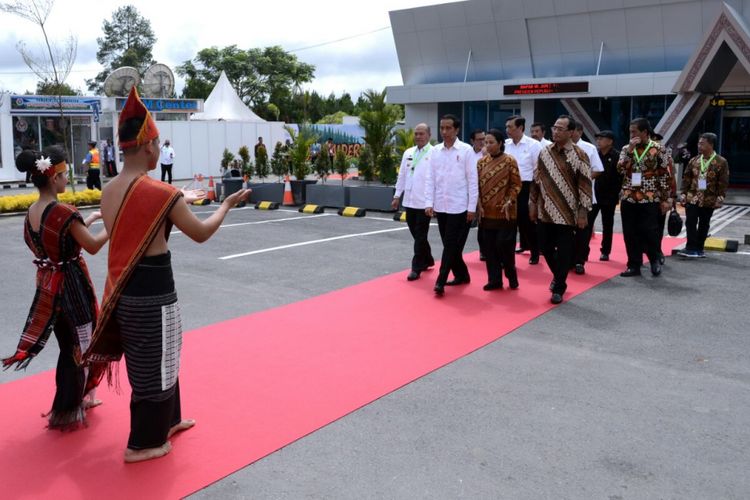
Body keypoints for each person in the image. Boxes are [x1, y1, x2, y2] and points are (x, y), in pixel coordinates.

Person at [83, 87, 250, 463]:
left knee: (161, 359)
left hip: (123, 291)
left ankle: (168, 421)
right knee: (155, 365)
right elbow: (202, 233)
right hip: (154, 293)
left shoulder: (108, 191)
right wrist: (224, 205)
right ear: (147, 146)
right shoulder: (163, 192)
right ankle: (142, 443)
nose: (158, 151)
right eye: (156, 144)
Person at [3, 145, 109, 430]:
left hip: (49, 290)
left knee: (67, 347)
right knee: (83, 346)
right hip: (73, 289)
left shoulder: (31, 212)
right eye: (64, 174)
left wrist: (88, 220)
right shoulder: (64, 211)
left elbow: (56, 242)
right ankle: (77, 403)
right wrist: (112, 222)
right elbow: (93, 246)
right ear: (52, 177)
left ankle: (69, 403)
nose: (67, 179)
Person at [530, 115, 592, 304]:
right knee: (545, 248)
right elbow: (536, 179)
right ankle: (558, 275)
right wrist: (532, 203)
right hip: (545, 210)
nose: (555, 131)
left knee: (565, 251)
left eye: (560, 129)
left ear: (571, 132)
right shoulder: (544, 152)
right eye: (554, 128)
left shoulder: (580, 154)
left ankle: (559, 287)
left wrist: (583, 212)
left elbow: (585, 185)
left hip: (567, 213)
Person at [425, 114, 478, 296]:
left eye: (448, 128)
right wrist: (428, 202)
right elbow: (430, 178)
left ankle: (440, 281)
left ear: (456, 130)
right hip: (441, 205)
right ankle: (462, 274)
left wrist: (472, 207)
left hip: (459, 206)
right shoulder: (435, 151)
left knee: (449, 245)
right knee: (452, 246)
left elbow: (473, 181)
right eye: (442, 128)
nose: (444, 132)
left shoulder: (466, 150)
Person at [617, 118, 673, 277]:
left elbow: (664, 175)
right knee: (630, 232)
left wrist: (665, 198)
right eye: (630, 132)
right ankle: (634, 265)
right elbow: (620, 170)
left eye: (634, 131)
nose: (631, 134)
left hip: (650, 197)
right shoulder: (626, 149)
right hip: (629, 196)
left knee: (650, 230)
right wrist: (629, 151)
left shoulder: (659, 149)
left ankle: (654, 259)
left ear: (645, 132)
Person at [477, 129, 521, 290]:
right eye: (485, 142)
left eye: (491, 142)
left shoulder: (510, 161)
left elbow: (516, 184)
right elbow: (477, 187)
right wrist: (478, 205)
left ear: (500, 143)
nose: (487, 145)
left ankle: (511, 274)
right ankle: (494, 280)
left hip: (506, 213)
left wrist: (509, 200)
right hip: (486, 214)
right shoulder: (481, 162)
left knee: (504, 247)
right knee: (489, 248)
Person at [392, 123, 435, 281]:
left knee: (420, 235)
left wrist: (433, 202)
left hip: (425, 202)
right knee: (416, 234)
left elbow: (436, 179)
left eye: (421, 133)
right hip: (409, 201)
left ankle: (416, 267)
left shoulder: (434, 152)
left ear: (429, 135)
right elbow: (402, 175)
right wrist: (397, 196)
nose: (418, 136)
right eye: (416, 133)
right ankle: (428, 258)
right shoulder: (408, 152)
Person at [678, 132, 730, 258]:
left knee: (704, 223)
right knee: (690, 222)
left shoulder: (721, 162)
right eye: (698, 143)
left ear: (711, 145)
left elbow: (723, 182)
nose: (699, 146)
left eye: (702, 144)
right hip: (693, 197)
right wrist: (683, 193)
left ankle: (699, 248)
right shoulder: (694, 160)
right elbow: (686, 178)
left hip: (709, 198)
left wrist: (720, 198)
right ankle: (690, 248)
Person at [505, 115, 543, 264]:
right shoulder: (506, 145)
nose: (507, 130)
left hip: (526, 187)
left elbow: (538, 169)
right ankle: (508, 255)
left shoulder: (533, 145)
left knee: (527, 223)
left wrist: (535, 194)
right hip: (507, 188)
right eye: (506, 127)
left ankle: (535, 252)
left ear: (520, 128)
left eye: (510, 127)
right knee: (508, 223)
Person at [570, 123, 604, 274]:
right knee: (567, 231)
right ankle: (568, 259)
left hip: (585, 196)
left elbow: (598, 170)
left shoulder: (589, 148)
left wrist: (582, 179)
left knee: (583, 230)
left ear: (579, 131)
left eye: (572, 131)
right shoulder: (558, 147)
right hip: (565, 196)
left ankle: (580, 261)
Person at [588, 130, 623, 261]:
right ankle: (583, 250)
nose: (598, 141)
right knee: (588, 222)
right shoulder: (595, 154)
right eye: (598, 139)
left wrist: (616, 192)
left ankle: (605, 251)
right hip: (594, 195)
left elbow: (621, 176)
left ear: (610, 141)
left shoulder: (617, 156)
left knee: (607, 224)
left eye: (602, 139)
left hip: (609, 195)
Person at [469, 129, 486, 260]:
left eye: (483, 139)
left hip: (484, 194)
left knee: (483, 224)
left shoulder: (487, 154)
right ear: (472, 141)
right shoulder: (467, 153)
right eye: (479, 139)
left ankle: (484, 251)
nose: (482, 142)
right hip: (467, 194)